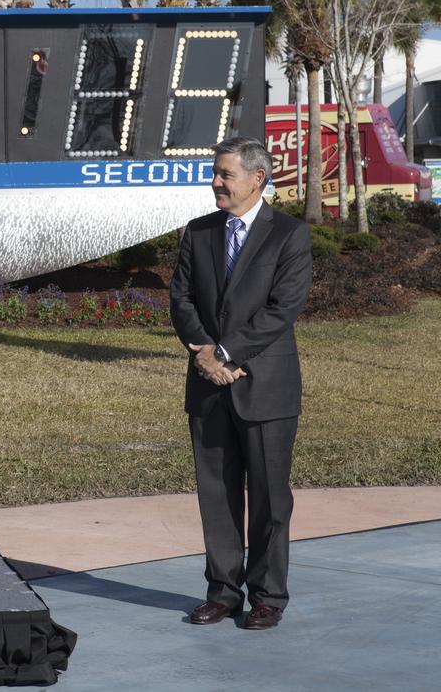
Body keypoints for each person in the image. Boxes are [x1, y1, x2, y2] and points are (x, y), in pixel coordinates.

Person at [170, 136, 313, 630]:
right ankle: (223, 592)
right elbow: (181, 299)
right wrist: (207, 355)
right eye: (215, 172)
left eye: (225, 174)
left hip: (266, 386)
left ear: (258, 179)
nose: (215, 182)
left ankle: (268, 596)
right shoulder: (198, 232)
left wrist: (226, 352)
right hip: (209, 386)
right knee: (217, 493)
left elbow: (282, 310)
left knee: (271, 497)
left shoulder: (288, 235)